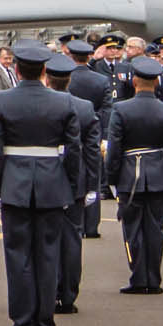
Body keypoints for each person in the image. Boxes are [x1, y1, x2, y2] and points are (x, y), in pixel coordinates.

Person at [0, 40, 78, 326]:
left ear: (17, 69)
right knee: (48, 255)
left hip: (16, 181)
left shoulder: (1, 101)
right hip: (52, 181)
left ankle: (23, 322)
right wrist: (71, 186)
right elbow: (73, 150)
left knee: (18, 255)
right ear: (44, 70)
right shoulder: (64, 102)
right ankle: (45, 322)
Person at [106, 55, 163, 294]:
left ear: (134, 81)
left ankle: (138, 277)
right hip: (157, 172)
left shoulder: (121, 109)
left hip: (129, 173)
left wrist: (111, 179)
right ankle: (153, 279)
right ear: (157, 82)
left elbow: (114, 148)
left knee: (133, 228)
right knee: (156, 229)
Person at [42, 54, 101, 314]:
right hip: (75, 179)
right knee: (71, 239)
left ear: (47, 78)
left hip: (44, 178)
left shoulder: (40, 104)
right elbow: (91, 151)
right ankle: (67, 294)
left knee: (45, 239)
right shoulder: (85, 107)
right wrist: (91, 185)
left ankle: (48, 291)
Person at [64, 39, 113, 239]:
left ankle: (72, 216)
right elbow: (106, 108)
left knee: (71, 172)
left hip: (68, 130)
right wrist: (100, 129)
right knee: (94, 172)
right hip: (92, 128)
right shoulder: (101, 80)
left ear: (70, 56)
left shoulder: (66, 78)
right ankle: (91, 225)